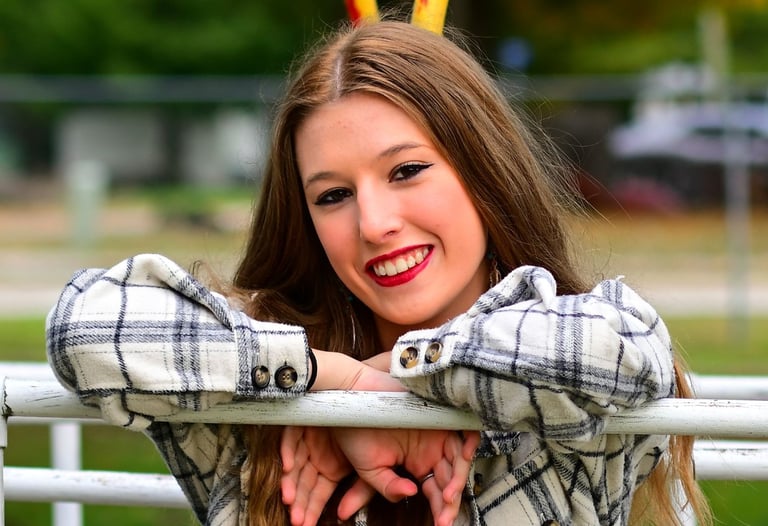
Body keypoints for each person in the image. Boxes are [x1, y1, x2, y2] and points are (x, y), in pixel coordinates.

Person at [45, 19, 712, 526]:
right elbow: (82, 331)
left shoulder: (572, 340)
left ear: (484, 171)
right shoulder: (256, 374)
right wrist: (332, 385)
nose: (374, 223)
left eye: (406, 171)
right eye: (333, 195)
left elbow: (616, 354)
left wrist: (400, 382)